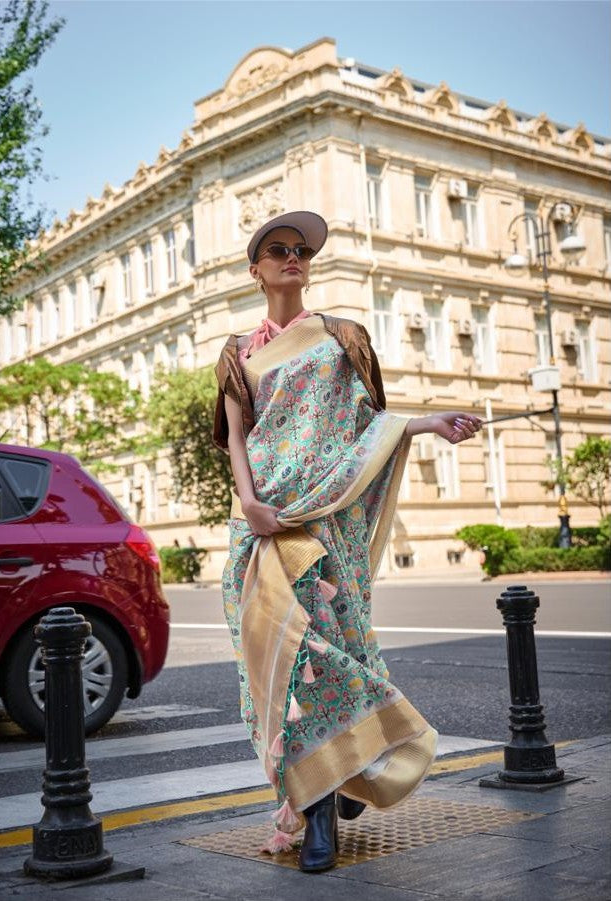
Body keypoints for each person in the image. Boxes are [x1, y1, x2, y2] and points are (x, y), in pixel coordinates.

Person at [213, 211, 482, 873]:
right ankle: (325, 802)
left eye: (300, 249)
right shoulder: (236, 354)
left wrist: (426, 423)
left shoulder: (338, 337)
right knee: (285, 667)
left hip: (327, 527)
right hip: (262, 530)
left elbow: (368, 428)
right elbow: (237, 438)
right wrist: (249, 502)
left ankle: (335, 791)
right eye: (277, 249)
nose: (292, 257)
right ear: (255, 268)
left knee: (330, 656)